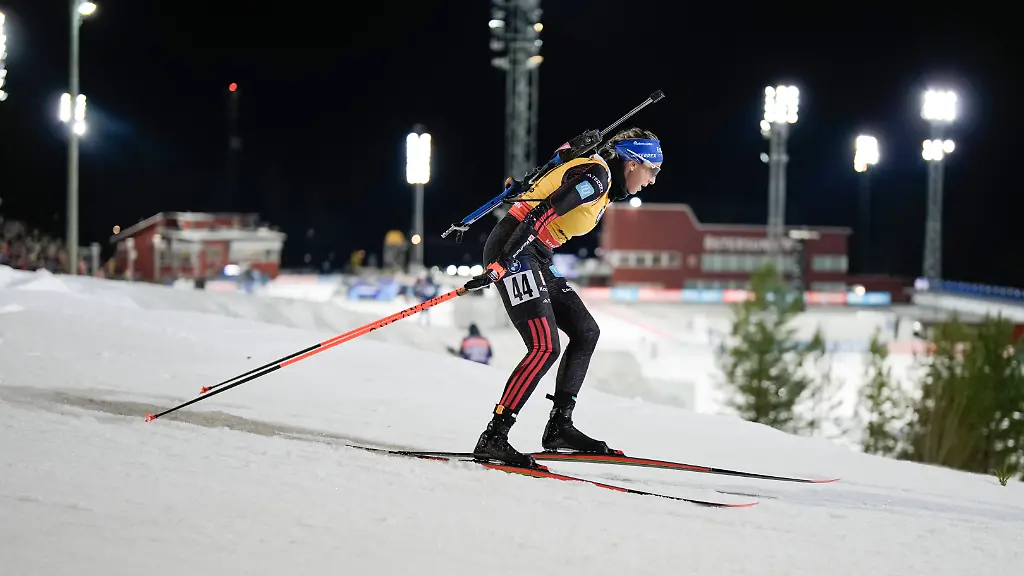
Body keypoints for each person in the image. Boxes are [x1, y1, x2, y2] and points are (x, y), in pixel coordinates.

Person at [463, 127, 663, 467]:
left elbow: (558, 166)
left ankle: (559, 426)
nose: (653, 181)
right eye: (652, 170)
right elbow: (539, 215)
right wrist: (505, 261)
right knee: (544, 346)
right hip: (516, 246)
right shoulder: (597, 177)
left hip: (535, 253)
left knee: (586, 331)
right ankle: (494, 436)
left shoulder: (603, 180)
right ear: (633, 163)